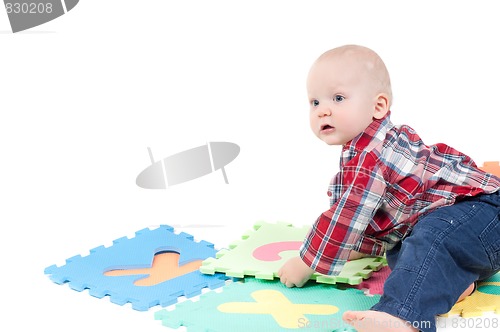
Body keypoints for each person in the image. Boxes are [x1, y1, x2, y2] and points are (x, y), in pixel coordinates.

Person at [277, 44, 500, 332]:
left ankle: (401, 317)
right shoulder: (363, 151)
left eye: (338, 97)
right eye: (315, 102)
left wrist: (308, 262)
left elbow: (349, 213)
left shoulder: (372, 155)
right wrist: (356, 246)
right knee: (402, 252)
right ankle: (452, 283)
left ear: (378, 106)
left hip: (482, 212)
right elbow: (382, 215)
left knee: (430, 239)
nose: (323, 111)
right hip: (472, 234)